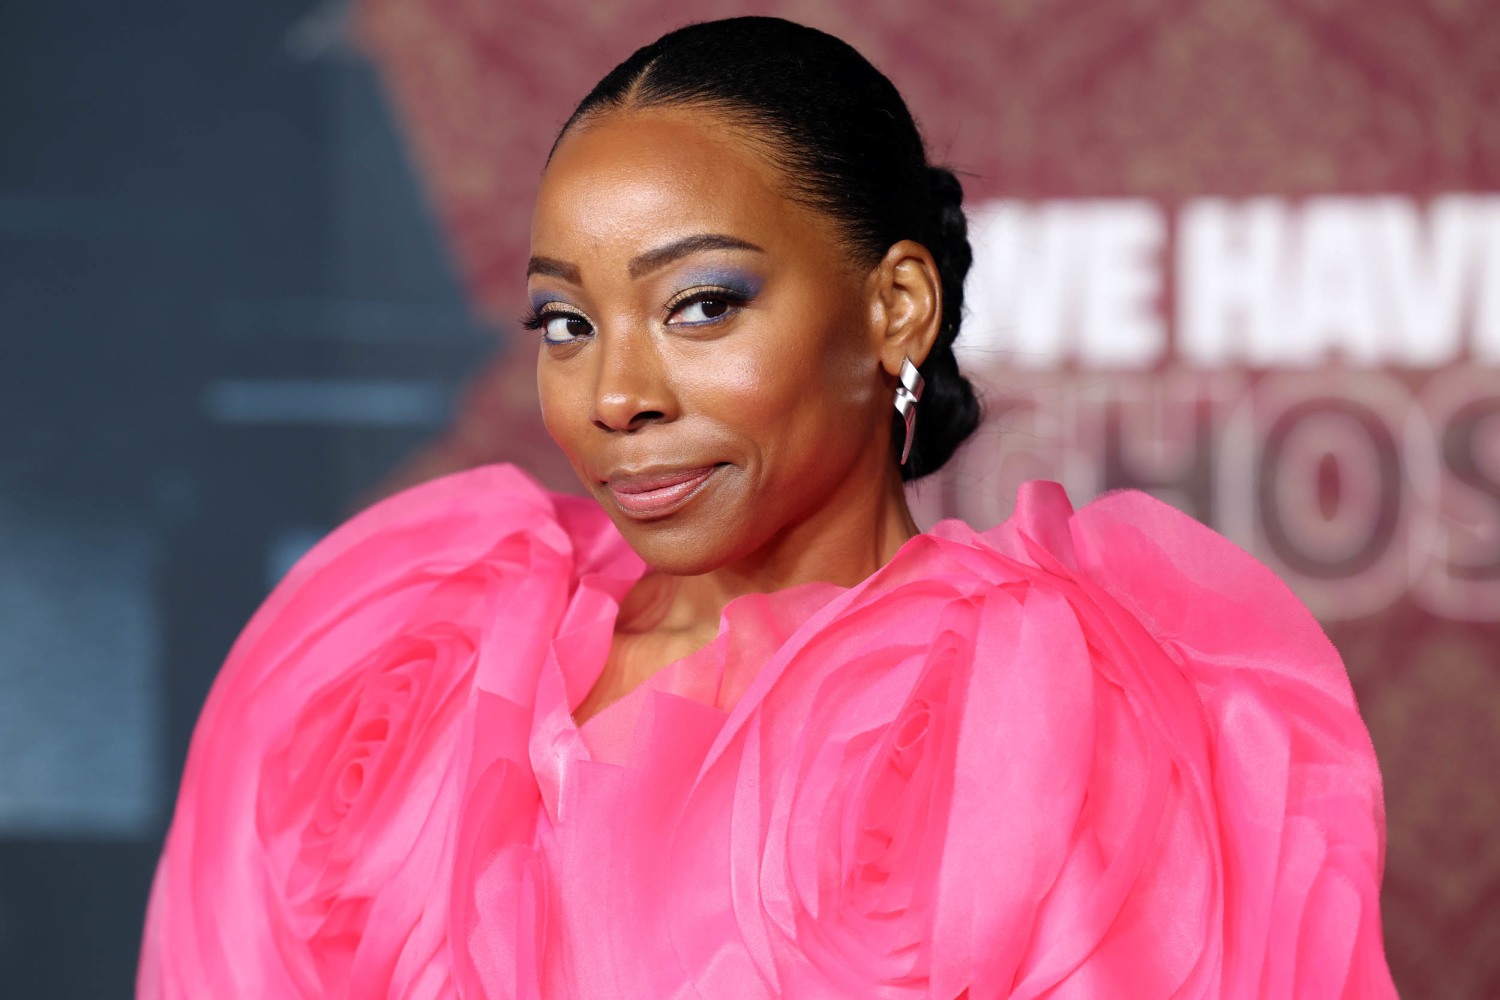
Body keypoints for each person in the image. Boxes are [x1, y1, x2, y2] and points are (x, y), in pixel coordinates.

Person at [139, 16, 1396, 999]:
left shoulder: (1046, 711)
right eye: (566, 322)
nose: (614, 395)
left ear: (896, 307)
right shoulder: (410, 660)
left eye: (701, 306)